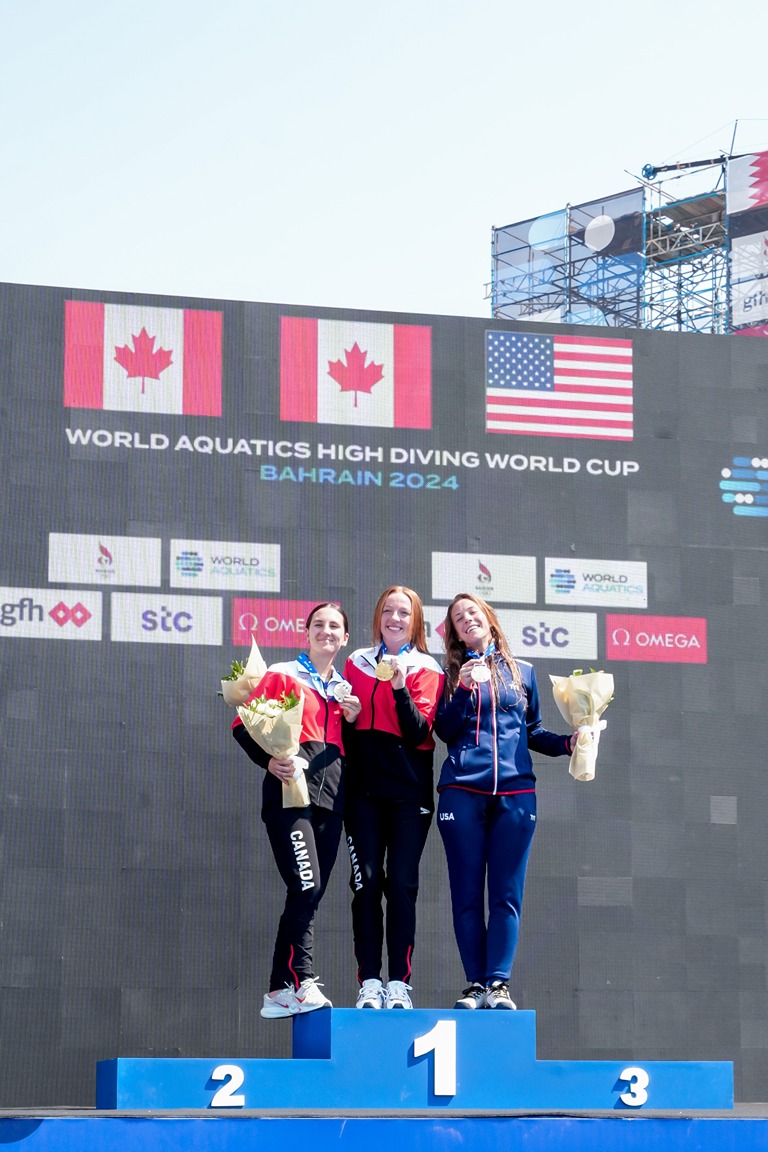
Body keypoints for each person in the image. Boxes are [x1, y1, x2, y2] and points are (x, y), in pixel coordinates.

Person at [434, 593, 575, 1011]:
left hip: (516, 794)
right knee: (466, 896)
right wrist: (463, 688)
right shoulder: (448, 674)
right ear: (455, 634)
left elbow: (533, 732)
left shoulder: (523, 671)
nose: (467, 620)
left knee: (506, 896)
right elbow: (444, 730)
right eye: (458, 619)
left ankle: (498, 983)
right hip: (462, 791)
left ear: (489, 619)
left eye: (472, 613)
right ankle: (475, 985)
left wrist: (569, 743)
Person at [232, 603, 361, 1018]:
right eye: (318, 625)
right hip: (290, 796)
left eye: (335, 626)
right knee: (306, 886)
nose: (326, 631)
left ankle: (278, 991)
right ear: (306, 633)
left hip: (332, 800)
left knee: (310, 893)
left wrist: (354, 720)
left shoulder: (345, 691)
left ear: (345, 638)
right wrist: (268, 760)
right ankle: (301, 981)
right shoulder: (282, 673)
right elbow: (243, 725)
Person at [342, 585, 444, 1009]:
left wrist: (400, 686)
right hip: (362, 793)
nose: (395, 619)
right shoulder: (356, 662)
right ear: (378, 617)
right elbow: (345, 729)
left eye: (404, 612)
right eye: (388, 611)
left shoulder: (427, 667)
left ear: (415, 621)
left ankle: (399, 983)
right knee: (365, 884)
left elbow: (419, 732)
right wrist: (348, 718)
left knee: (401, 884)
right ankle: (370, 981)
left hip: (407, 793)